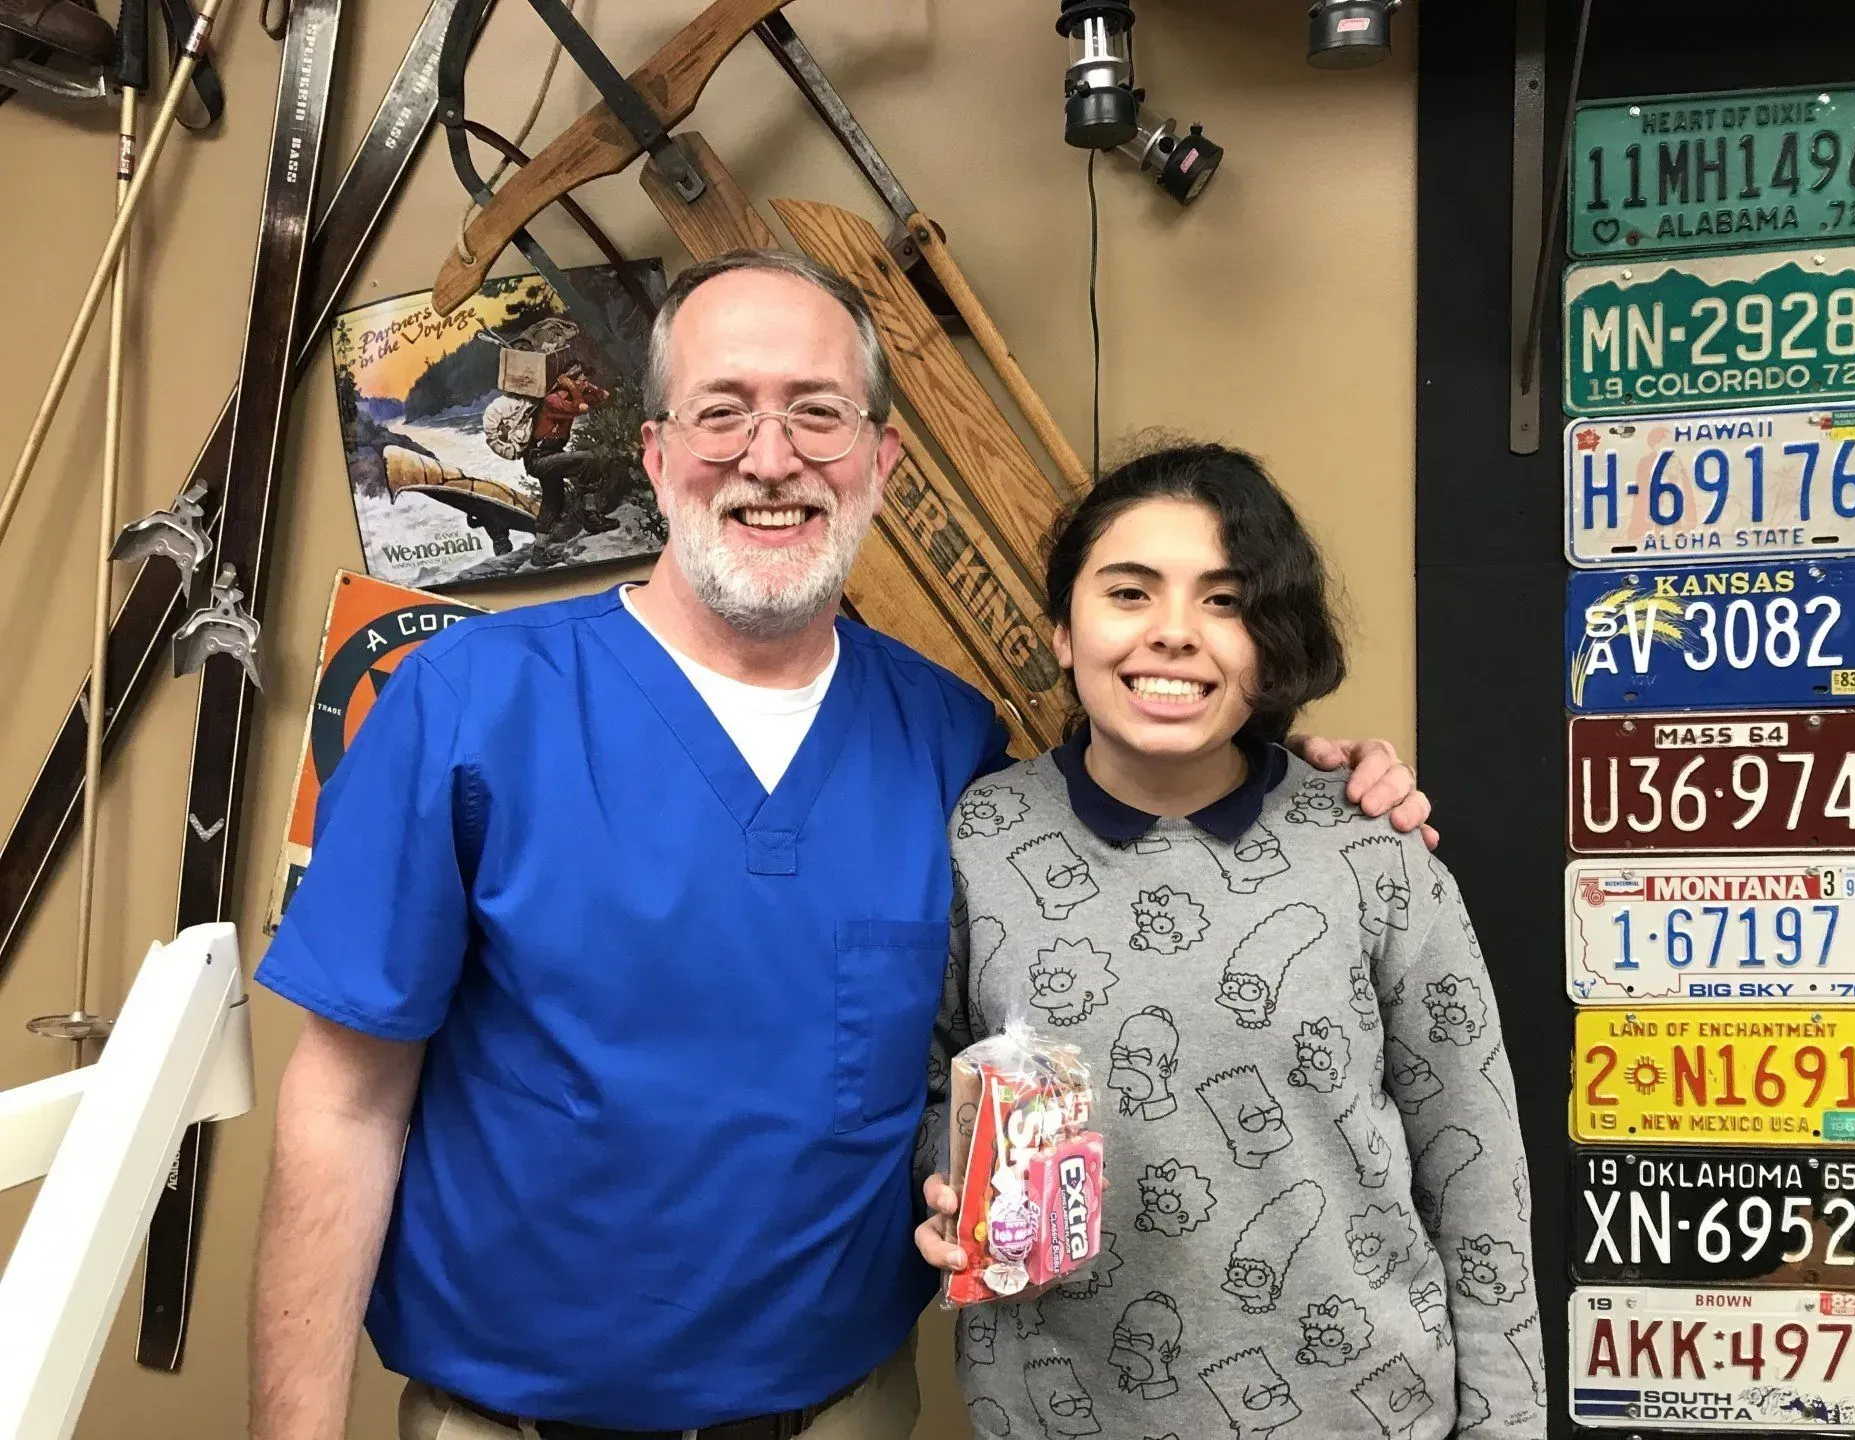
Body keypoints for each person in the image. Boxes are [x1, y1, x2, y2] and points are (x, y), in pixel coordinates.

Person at [247, 250, 1434, 1440]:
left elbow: (1128, 865)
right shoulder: (462, 704)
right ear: (656, 457)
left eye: (818, 414)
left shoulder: (951, 743)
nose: (772, 458)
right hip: (513, 1421)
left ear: (880, 460)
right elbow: (344, 1105)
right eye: (724, 412)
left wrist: (1303, 782)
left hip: (850, 1413)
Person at [916, 443, 1543, 1440]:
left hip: (1363, 1411)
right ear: (1062, 632)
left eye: (1225, 600)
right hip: (1058, 1411)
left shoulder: (1372, 846)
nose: (1174, 635)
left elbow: (1479, 1171)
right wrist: (939, 1180)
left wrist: (1507, 1426)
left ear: (1273, 641)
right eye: (1129, 592)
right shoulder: (976, 840)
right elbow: (924, 1081)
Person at [527, 361, 613, 537]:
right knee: (589, 459)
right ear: (570, 382)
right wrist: (574, 387)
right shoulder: (553, 400)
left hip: (552, 455)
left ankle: (539, 551)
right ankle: (589, 515)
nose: (586, 384)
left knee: (553, 501)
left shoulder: (573, 396)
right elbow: (581, 408)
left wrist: (583, 387)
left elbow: (604, 395)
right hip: (539, 458)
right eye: (583, 380)